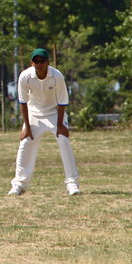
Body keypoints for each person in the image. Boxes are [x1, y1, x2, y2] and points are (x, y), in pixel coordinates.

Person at [8, 48, 81, 196]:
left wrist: (60, 125)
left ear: (48, 62)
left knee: (64, 141)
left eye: (42, 61)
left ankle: (72, 183)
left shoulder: (56, 76)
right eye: (36, 61)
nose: (39, 64)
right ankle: (19, 185)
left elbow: (62, 101)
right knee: (25, 143)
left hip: (55, 113)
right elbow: (23, 102)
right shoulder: (25, 76)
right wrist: (27, 127)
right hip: (34, 113)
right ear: (32, 63)